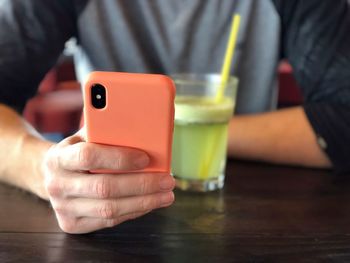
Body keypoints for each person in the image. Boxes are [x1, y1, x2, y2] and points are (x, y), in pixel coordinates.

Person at [0, 0, 349, 233]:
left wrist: (177, 128)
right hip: (110, 220)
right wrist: (44, 169)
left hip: (249, 220)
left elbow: (343, 118)